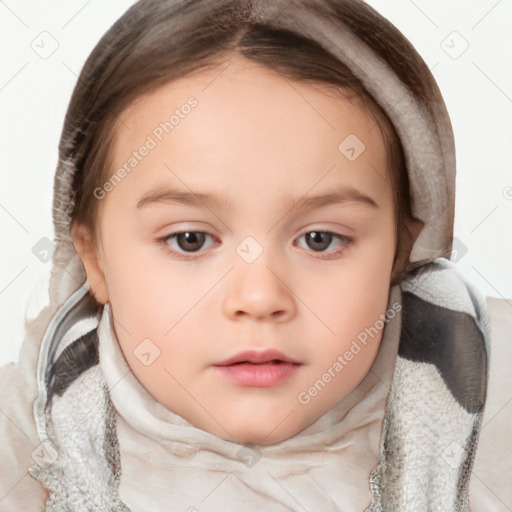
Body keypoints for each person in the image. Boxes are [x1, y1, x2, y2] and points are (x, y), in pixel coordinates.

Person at [0, 0, 510, 510]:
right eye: (190, 240)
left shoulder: (496, 413)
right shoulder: (20, 444)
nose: (260, 297)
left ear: (400, 252)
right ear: (95, 261)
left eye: (320, 239)